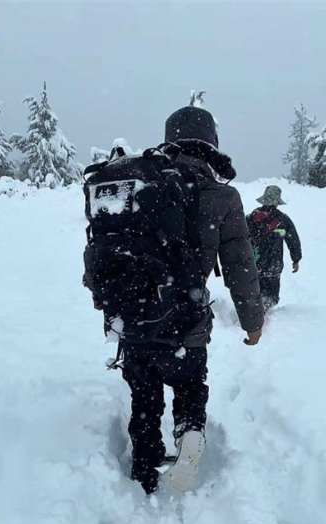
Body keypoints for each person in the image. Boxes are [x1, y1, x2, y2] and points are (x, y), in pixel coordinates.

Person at [83, 106, 264, 494]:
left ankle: (145, 468)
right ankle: (189, 433)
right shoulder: (223, 196)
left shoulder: (143, 185)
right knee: (190, 385)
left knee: (144, 397)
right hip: (188, 320)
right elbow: (239, 264)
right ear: (211, 144)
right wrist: (253, 321)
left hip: (137, 318)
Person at [246, 186, 302, 311]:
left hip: (253, 263)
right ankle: (265, 309)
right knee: (271, 296)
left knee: (253, 292)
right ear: (277, 202)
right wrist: (296, 259)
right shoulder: (283, 220)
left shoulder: (251, 218)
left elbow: (240, 238)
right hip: (273, 265)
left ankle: (252, 311)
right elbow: (293, 240)